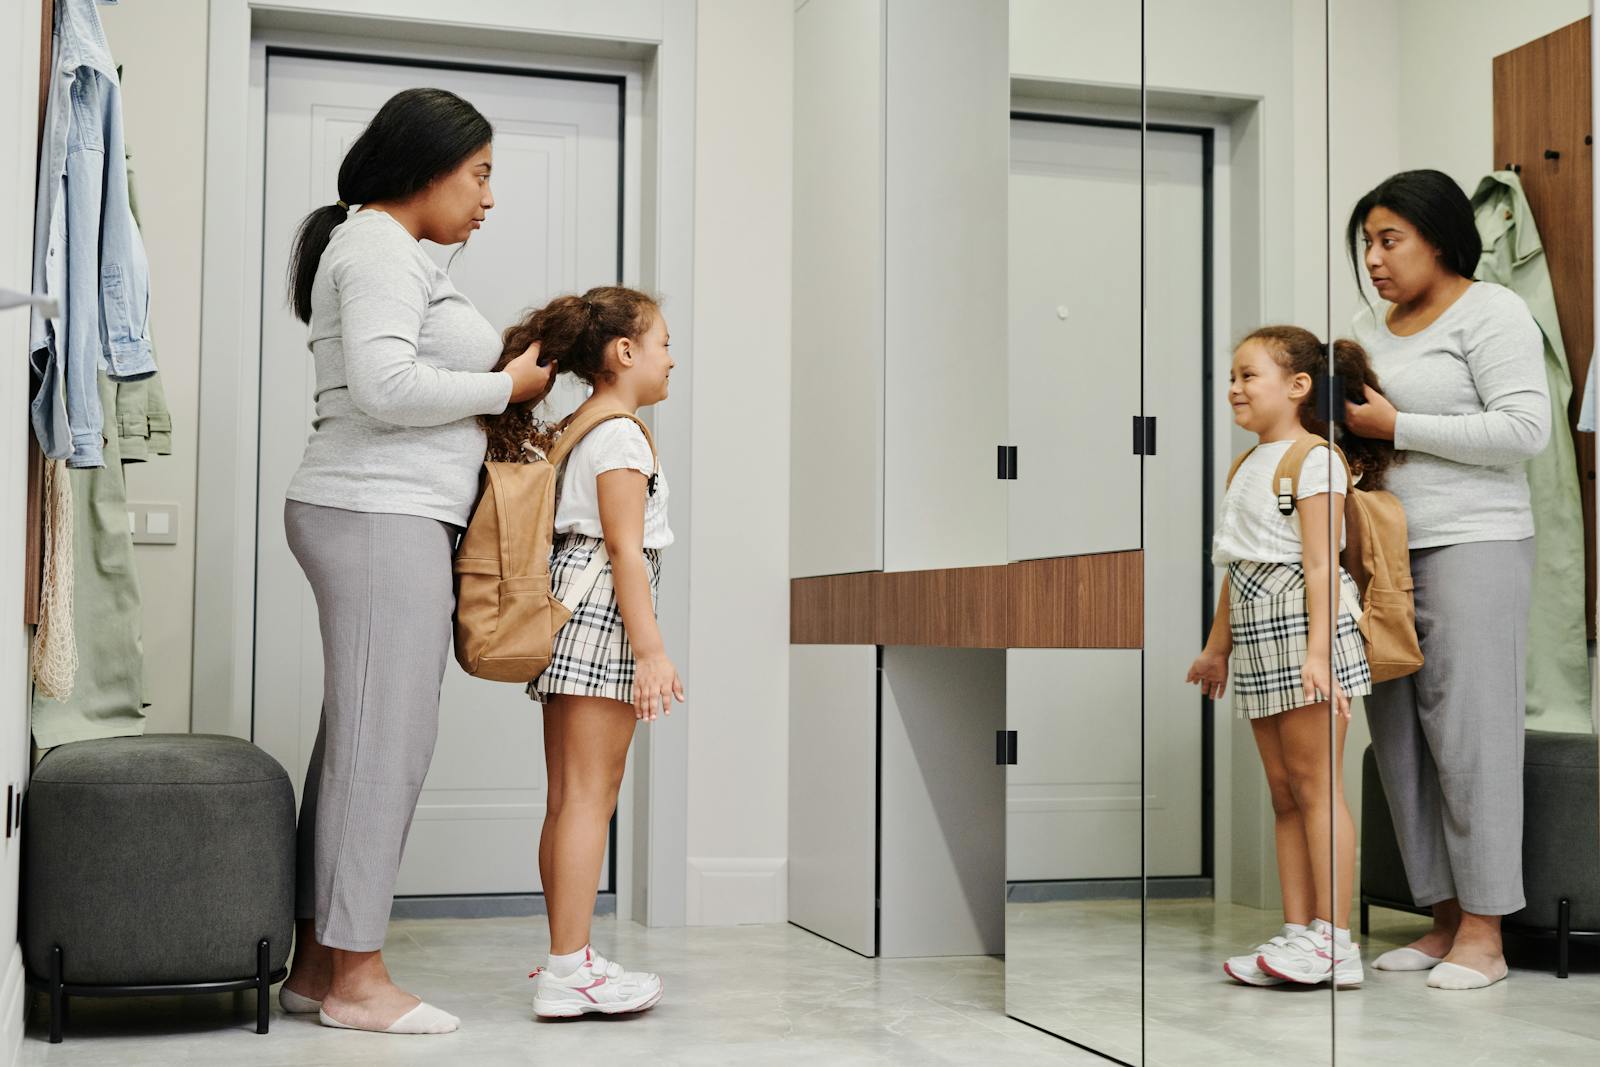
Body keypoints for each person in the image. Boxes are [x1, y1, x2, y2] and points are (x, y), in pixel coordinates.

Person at [276, 87, 554, 1034]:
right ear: (424, 167)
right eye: (478, 175)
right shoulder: (377, 246)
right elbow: (386, 386)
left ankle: (320, 963)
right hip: (375, 512)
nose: (486, 199)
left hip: (385, 514)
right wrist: (505, 383)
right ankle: (358, 980)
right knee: (384, 743)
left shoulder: (391, 251)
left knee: (361, 739)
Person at [1344, 170, 1549, 990]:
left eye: (1389, 239)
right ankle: (1441, 919)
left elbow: (1524, 429)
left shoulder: (1494, 311)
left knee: (1470, 734)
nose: (1374, 259)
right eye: (1366, 243)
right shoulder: (1367, 325)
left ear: (1439, 238)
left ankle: (1488, 933)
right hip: (1386, 552)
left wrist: (1398, 425)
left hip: (1476, 542)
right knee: (1397, 731)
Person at [484, 286, 682, 1018]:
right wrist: (652, 651)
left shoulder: (577, 425)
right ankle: (570, 969)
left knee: (569, 798)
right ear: (624, 352)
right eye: (663, 345)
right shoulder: (623, 434)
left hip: (568, 608)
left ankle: (568, 956)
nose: (671, 360)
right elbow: (626, 551)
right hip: (603, 615)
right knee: (590, 800)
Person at [1188, 327, 1400, 989]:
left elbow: (1317, 562)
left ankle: (1336, 941)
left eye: (1248, 375)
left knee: (1316, 788)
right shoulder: (1246, 463)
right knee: (1283, 794)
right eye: (1233, 375)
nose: (1234, 387)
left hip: (1304, 629)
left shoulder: (1315, 459)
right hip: (1255, 626)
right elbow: (1237, 562)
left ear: (1298, 386)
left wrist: (1318, 656)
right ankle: (1300, 930)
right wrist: (1217, 646)